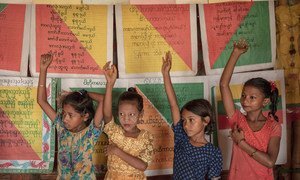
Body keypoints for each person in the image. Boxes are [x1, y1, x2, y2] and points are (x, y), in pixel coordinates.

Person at [219, 39, 282, 180]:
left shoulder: (274, 127)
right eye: (243, 95)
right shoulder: (237, 119)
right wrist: (235, 53)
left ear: (265, 101)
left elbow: (270, 161)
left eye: (252, 97)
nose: (245, 100)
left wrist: (241, 142)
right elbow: (224, 85)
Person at [37, 53, 104, 179]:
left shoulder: (92, 131)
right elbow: (41, 101)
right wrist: (43, 70)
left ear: (85, 116)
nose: (65, 118)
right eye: (63, 113)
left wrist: (82, 93)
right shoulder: (61, 127)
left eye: (70, 115)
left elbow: (103, 99)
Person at [161, 51, 223, 179]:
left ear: (205, 120)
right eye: (184, 120)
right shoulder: (181, 137)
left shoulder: (213, 152)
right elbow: (173, 105)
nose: (186, 125)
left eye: (191, 120)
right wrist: (165, 74)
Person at [102, 62, 154, 180]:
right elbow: (106, 114)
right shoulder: (115, 132)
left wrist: (116, 150)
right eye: (121, 114)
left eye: (131, 114)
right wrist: (110, 85)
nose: (126, 119)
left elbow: (142, 165)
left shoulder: (146, 137)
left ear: (141, 115)